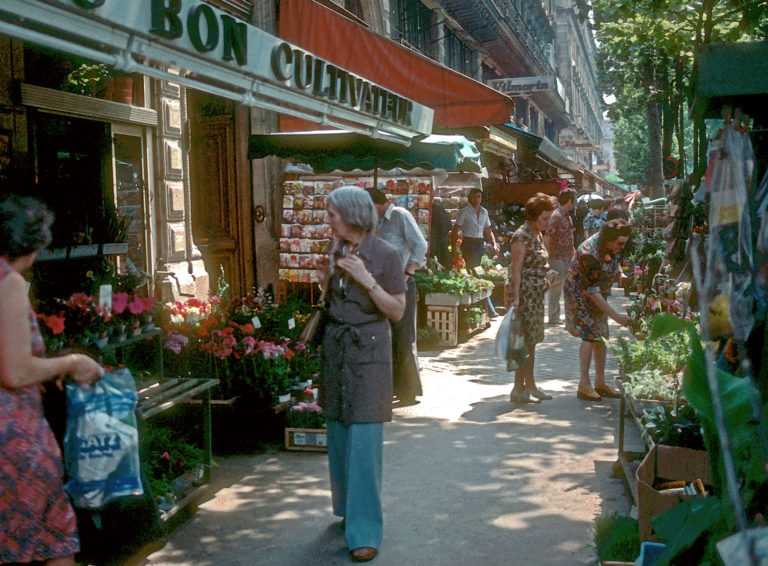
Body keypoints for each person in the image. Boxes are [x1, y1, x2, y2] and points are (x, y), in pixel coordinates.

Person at [0, 194, 103, 566]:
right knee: (54, 536)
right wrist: (70, 363)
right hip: (13, 439)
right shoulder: (7, 281)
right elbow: (15, 370)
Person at [316, 186, 406, 563]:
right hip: (337, 353)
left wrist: (367, 280)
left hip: (368, 355)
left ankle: (366, 531)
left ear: (353, 215)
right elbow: (332, 303)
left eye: (333, 214)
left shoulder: (385, 254)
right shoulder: (337, 250)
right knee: (338, 436)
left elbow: (397, 311)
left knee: (364, 444)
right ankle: (348, 511)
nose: (328, 220)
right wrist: (324, 282)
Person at [366, 188, 427, 405]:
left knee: (403, 337)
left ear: (378, 204)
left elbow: (420, 245)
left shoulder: (400, 216)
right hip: (383, 289)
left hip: (402, 286)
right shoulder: (376, 224)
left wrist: (408, 271)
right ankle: (392, 387)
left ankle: (409, 391)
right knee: (386, 338)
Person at [564, 219, 633, 401]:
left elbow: (615, 259)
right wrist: (616, 316)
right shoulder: (589, 254)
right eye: (619, 243)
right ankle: (584, 385)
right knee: (590, 334)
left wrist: (620, 274)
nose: (622, 246)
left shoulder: (614, 245)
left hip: (597, 291)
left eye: (624, 243)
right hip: (581, 294)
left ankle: (600, 382)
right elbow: (592, 292)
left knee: (601, 334)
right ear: (608, 239)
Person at [507, 193, 557, 404]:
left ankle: (529, 385)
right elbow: (516, 270)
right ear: (533, 216)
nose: (547, 222)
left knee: (532, 342)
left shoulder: (536, 234)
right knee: (523, 343)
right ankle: (519, 388)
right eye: (545, 218)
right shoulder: (522, 236)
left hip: (536, 296)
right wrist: (516, 299)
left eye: (549, 218)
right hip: (526, 297)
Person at [451, 188, 500, 316]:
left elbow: (488, 230)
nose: (476, 199)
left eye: (478, 196)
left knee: (477, 271)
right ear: (469, 198)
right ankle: (488, 308)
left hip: (479, 244)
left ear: (481, 198)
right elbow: (456, 229)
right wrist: (453, 248)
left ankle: (482, 305)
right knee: (475, 271)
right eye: (473, 196)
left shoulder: (484, 212)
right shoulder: (465, 211)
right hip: (468, 243)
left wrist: (494, 243)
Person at [544, 189, 576, 325]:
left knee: (565, 287)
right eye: (574, 199)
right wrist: (548, 256)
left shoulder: (566, 215)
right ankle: (553, 317)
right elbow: (547, 237)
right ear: (569, 200)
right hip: (557, 257)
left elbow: (568, 236)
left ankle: (560, 316)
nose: (575, 203)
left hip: (567, 257)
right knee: (556, 288)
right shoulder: (557, 216)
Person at [429, 201, 453, 270]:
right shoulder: (439, 209)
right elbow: (449, 226)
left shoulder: (431, 210)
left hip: (432, 245)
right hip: (442, 243)